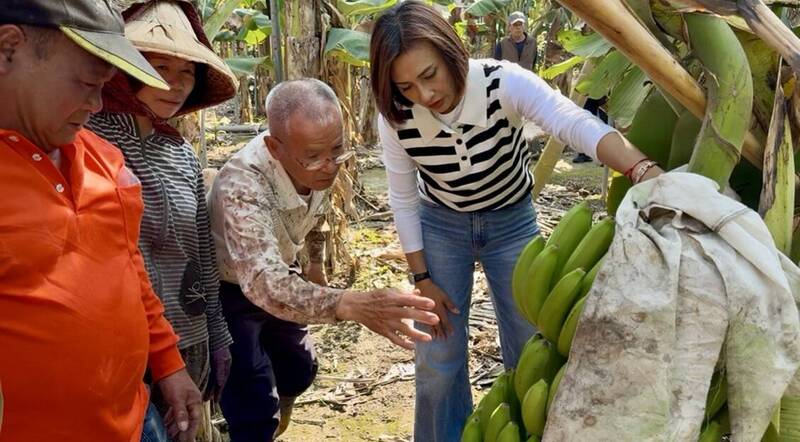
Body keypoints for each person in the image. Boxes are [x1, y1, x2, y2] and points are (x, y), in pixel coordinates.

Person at [369, 2, 663, 440]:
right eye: (407, 86)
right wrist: (421, 276)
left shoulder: (500, 82)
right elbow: (403, 196)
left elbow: (570, 121)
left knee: (531, 348)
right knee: (437, 357)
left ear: (451, 52)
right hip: (440, 227)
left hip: (511, 222)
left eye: (429, 75)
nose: (424, 95)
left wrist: (641, 170)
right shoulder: (396, 119)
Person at [0, 1, 204, 441]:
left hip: (135, 418)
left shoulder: (104, 159)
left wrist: (168, 362)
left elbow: (129, 270)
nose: (96, 104)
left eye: (104, 87)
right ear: (8, 49)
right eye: (85, 83)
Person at [207, 79, 440, 441]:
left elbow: (318, 213)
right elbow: (263, 282)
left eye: (337, 150)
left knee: (300, 367)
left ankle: (280, 407)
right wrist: (348, 303)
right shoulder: (242, 185)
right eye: (314, 157)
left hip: (286, 272)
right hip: (232, 288)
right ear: (274, 147)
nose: (328, 166)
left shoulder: (319, 158)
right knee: (249, 391)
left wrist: (314, 264)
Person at [85, 1, 238, 440]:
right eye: (159, 66)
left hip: (187, 334)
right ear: (123, 68)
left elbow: (202, 253)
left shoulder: (182, 156)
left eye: (187, 72)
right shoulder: (91, 139)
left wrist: (217, 331)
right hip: (127, 347)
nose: (175, 85)